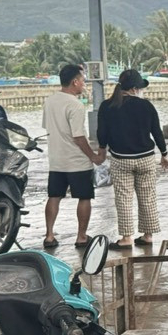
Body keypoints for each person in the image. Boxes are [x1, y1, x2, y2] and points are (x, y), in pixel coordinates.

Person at [96, 69, 168, 250]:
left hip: (121, 160)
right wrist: (164, 154)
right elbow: (157, 132)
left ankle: (126, 238)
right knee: (147, 197)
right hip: (146, 159)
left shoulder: (107, 106)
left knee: (124, 198)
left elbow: (101, 133)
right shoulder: (146, 106)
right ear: (135, 88)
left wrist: (102, 150)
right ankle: (148, 235)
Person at [41, 63, 103, 249]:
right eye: (83, 81)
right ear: (75, 82)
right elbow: (78, 136)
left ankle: (49, 235)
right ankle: (81, 236)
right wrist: (93, 156)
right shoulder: (75, 105)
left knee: (54, 196)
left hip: (56, 160)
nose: (84, 84)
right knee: (84, 197)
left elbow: (47, 128)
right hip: (77, 162)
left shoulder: (49, 101)